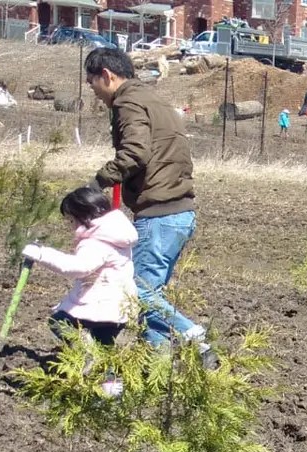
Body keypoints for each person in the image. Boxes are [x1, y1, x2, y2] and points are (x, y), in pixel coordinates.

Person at [85, 47, 212, 360]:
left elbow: (135, 153)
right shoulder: (154, 99)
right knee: (152, 296)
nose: (94, 91)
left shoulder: (128, 101)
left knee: (137, 291)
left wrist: (99, 180)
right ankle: (157, 369)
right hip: (179, 213)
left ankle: (192, 334)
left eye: (92, 83)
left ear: (107, 76)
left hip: (160, 215)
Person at [20, 185, 136, 351]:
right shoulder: (117, 235)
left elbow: (78, 267)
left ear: (84, 216)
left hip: (101, 304)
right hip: (120, 305)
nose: (71, 226)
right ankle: (106, 375)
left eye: (71, 220)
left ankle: (85, 351)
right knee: (104, 348)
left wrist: (41, 254)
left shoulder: (95, 242)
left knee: (59, 321)